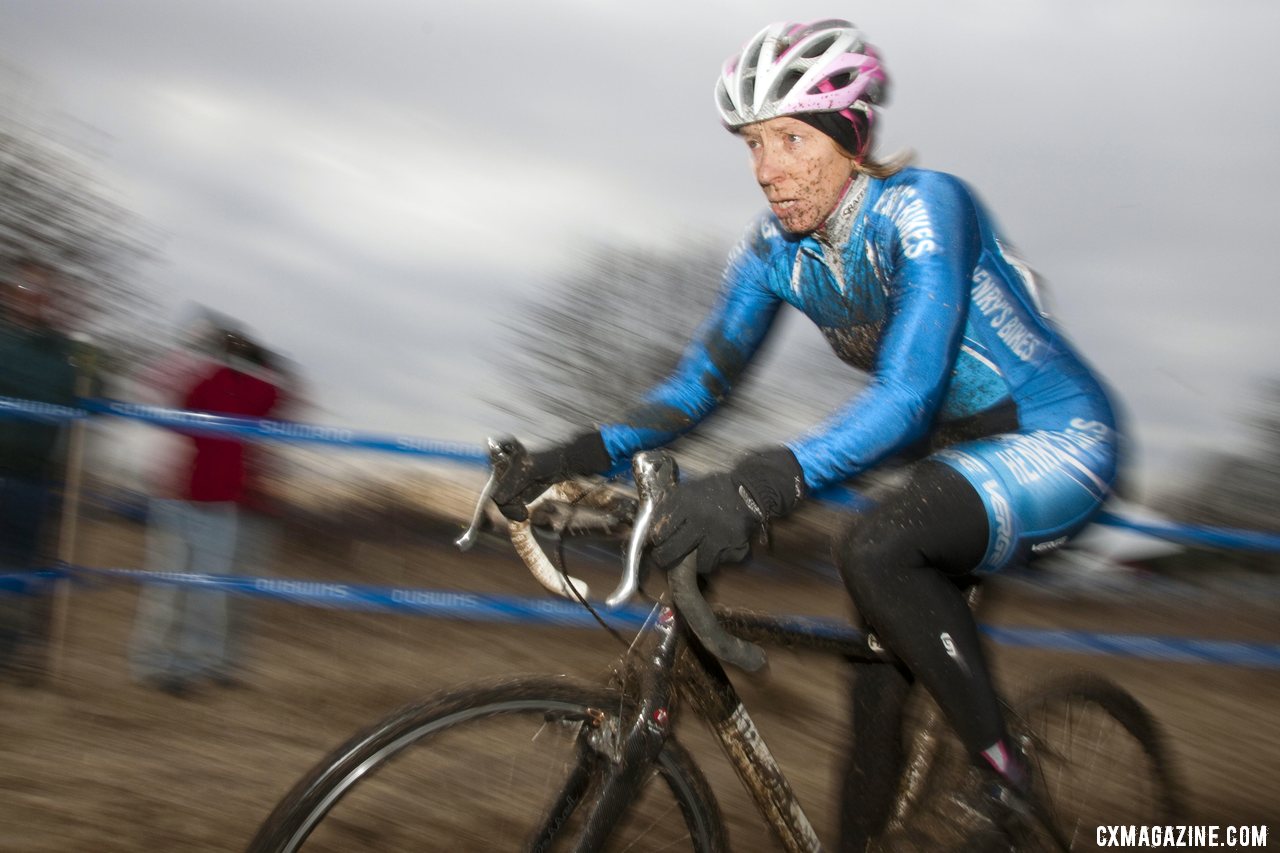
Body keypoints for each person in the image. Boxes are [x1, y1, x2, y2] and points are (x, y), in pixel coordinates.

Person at [490, 19, 1120, 850]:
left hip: (1057, 437)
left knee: (874, 549)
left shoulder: (926, 207)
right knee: (875, 687)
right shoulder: (772, 252)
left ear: (851, 134)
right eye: (753, 143)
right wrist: (564, 457)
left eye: (790, 138)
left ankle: (1010, 774)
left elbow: (907, 393)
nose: (768, 171)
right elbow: (696, 388)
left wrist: (755, 486)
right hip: (954, 457)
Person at [129, 327, 280, 695]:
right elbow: (152, 384)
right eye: (231, 346)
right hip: (177, 497)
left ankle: (190, 668)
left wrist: (269, 362)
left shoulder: (254, 391)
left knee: (207, 593)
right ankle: (153, 665)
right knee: (167, 590)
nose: (235, 352)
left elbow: (282, 398)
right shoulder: (197, 379)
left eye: (243, 349)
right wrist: (189, 349)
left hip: (222, 504)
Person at [0, 258, 79, 681]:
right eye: (25, 292)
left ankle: (8, 652)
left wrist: (90, 379)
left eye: (41, 295)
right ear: (10, 295)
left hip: (32, 476)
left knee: (18, 566)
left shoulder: (61, 355)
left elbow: (72, 397)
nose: (32, 301)